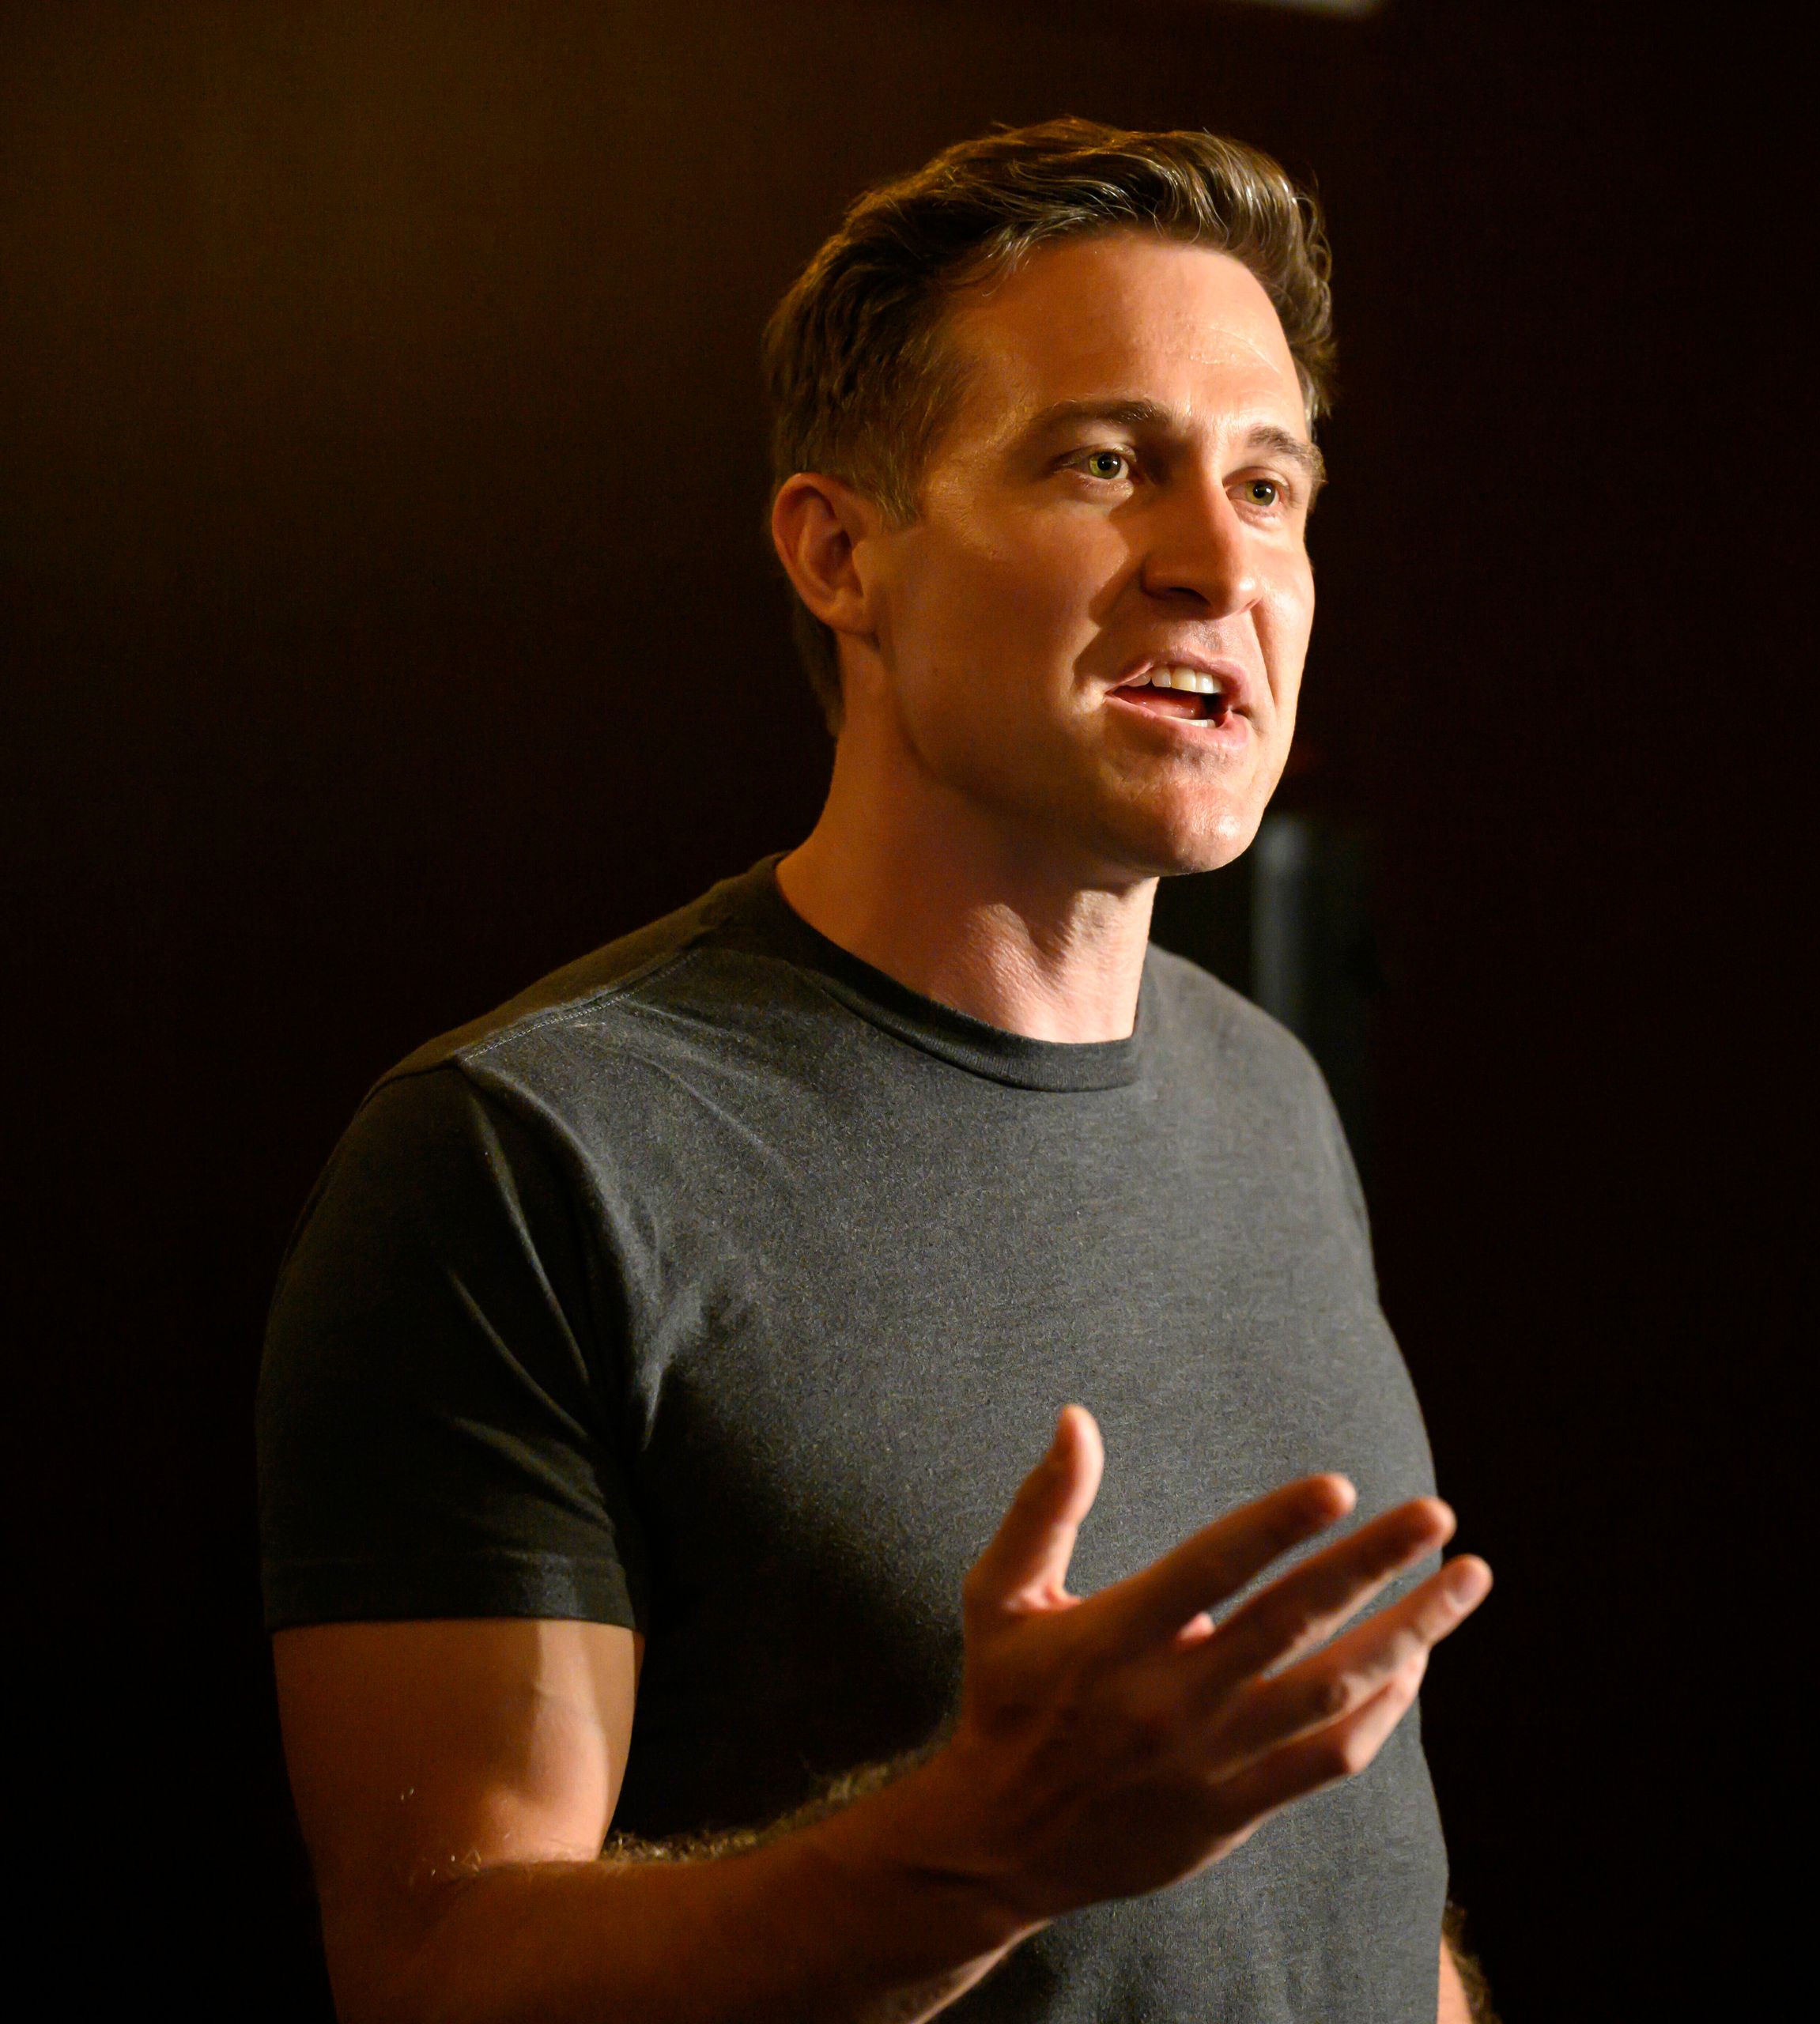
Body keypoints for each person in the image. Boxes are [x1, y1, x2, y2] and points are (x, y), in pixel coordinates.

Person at [259, 119, 1495, 2024]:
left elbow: (1338, 1869)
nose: (1216, 563)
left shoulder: (1270, 1094)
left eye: (1271, 486)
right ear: (843, 550)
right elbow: (437, 1974)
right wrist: (994, 1844)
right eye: (1106, 464)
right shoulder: (525, 1158)